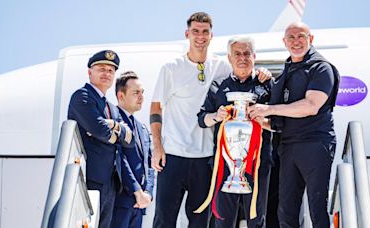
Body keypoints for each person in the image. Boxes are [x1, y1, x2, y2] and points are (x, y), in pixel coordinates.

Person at [150, 12, 272, 228]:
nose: (200, 36)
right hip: (174, 155)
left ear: (211, 35)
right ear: (187, 34)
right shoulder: (171, 68)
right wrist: (157, 147)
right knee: (164, 219)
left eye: (205, 32)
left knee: (202, 221)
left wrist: (263, 72)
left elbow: (243, 68)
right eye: (195, 31)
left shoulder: (221, 66)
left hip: (207, 159)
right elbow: (156, 107)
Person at [248, 22, 340, 228]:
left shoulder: (321, 68)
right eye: (291, 37)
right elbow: (278, 122)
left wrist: (269, 109)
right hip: (288, 147)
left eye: (301, 36)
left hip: (315, 144)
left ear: (311, 39)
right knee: (286, 210)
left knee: (317, 207)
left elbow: (311, 106)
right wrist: (253, 118)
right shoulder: (288, 71)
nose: (296, 41)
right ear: (284, 42)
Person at [197, 36, 272, 228]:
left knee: (256, 219)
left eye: (247, 53)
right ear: (229, 58)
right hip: (225, 166)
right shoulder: (218, 86)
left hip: (258, 164)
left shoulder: (268, 84)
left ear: (254, 56)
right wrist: (217, 116)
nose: (242, 58)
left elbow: (280, 121)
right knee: (223, 221)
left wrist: (262, 119)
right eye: (237, 54)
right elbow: (202, 119)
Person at [68, 50, 133, 228]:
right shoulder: (82, 97)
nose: (106, 74)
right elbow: (101, 131)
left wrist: (112, 125)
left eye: (111, 71)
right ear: (90, 72)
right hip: (90, 178)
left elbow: (130, 140)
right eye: (101, 69)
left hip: (110, 182)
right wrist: (114, 133)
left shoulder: (111, 107)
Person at [112, 71, 155, 228]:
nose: (141, 97)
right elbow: (118, 158)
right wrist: (137, 192)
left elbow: (150, 164)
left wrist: (148, 193)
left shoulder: (142, 128)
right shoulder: (113, 121)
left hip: (139, 205)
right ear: (121, 95)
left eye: (142, 92)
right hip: (120, 202)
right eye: (136, 92)